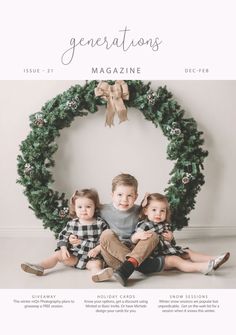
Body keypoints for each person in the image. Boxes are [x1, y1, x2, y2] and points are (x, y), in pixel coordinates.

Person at [21, 189, 113, 282]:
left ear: (95, 207)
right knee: (57, 255)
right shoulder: (72, 223)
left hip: (92, 257)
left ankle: (97, 274)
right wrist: (64, 249)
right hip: (74, 256)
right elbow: (63, 236)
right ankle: (40, 267)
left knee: (96, 265)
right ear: (75, 208)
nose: (83, 210)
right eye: (79, 207)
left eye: (88, 206)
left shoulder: (100, 223)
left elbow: (106, 240)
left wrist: (97, 249)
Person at [134, 192, 230, 275]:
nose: (158, 214)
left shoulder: (165, 225)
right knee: (176, 261)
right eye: (154, 210)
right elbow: (137, 243)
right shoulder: (144, 225)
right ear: (146, 211)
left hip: (169, 251)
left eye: (162, 210)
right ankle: (202, 267)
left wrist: (171, 238)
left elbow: (172, 244)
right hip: (156, 257)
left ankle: (214, 259)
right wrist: (138, 236)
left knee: (188, 252)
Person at [92, 173, 162, 286]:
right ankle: (142, 266)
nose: (124, 200)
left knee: (152, 235)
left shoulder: (139, 211)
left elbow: (155, 211)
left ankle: (128, 267)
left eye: (129, 196)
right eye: (119, 194)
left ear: (136, 196)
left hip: (135, 249)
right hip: (113, 255)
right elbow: (84, 209)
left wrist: (148, 201)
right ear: (112, 195)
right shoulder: (103, 210)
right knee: (106, 234)